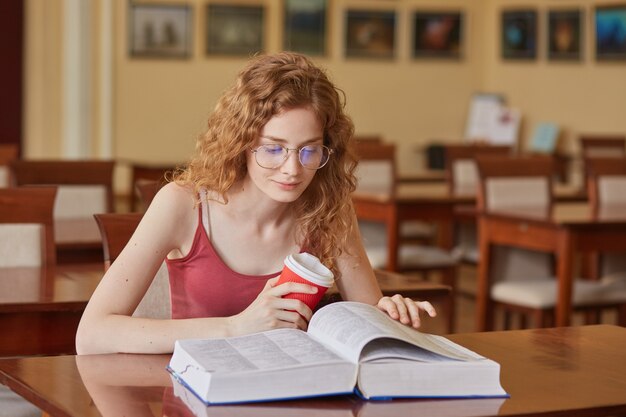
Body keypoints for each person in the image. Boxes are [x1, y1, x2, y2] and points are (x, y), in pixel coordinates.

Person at [76, 52, 436, 355]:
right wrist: (236, 328)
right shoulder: (181, 205)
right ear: (241, 143)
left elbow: (365, 318)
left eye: (310, 149)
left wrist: (387, 313)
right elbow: (91, 335)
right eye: (273, 148)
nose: (293, 169)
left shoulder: (329, 209)